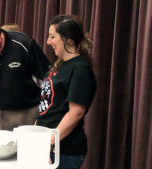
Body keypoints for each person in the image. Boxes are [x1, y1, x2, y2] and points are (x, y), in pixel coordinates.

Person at [35, 15, 97, 169]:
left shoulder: (80, 68)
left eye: (52, 37)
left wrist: (49, 142)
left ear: (68, 39)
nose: (48, 42)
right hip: (46, 145)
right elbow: (47, 108)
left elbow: (76, 112)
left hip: (64, 150)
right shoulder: (58, 65)